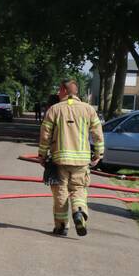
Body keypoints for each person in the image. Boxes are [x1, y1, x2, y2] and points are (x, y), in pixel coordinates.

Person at [38, 79, 105, 237]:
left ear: (64, 90)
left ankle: (61, 226)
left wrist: (42, 155)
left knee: (60, 192)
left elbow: (45, 135)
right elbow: (97, 133)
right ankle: (79, 212)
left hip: (59, 160)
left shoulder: (54, 109)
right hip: (81, 161)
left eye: (59, 90)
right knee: (78, 190)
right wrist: (98, 154)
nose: (57, 93)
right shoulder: (88, 110)